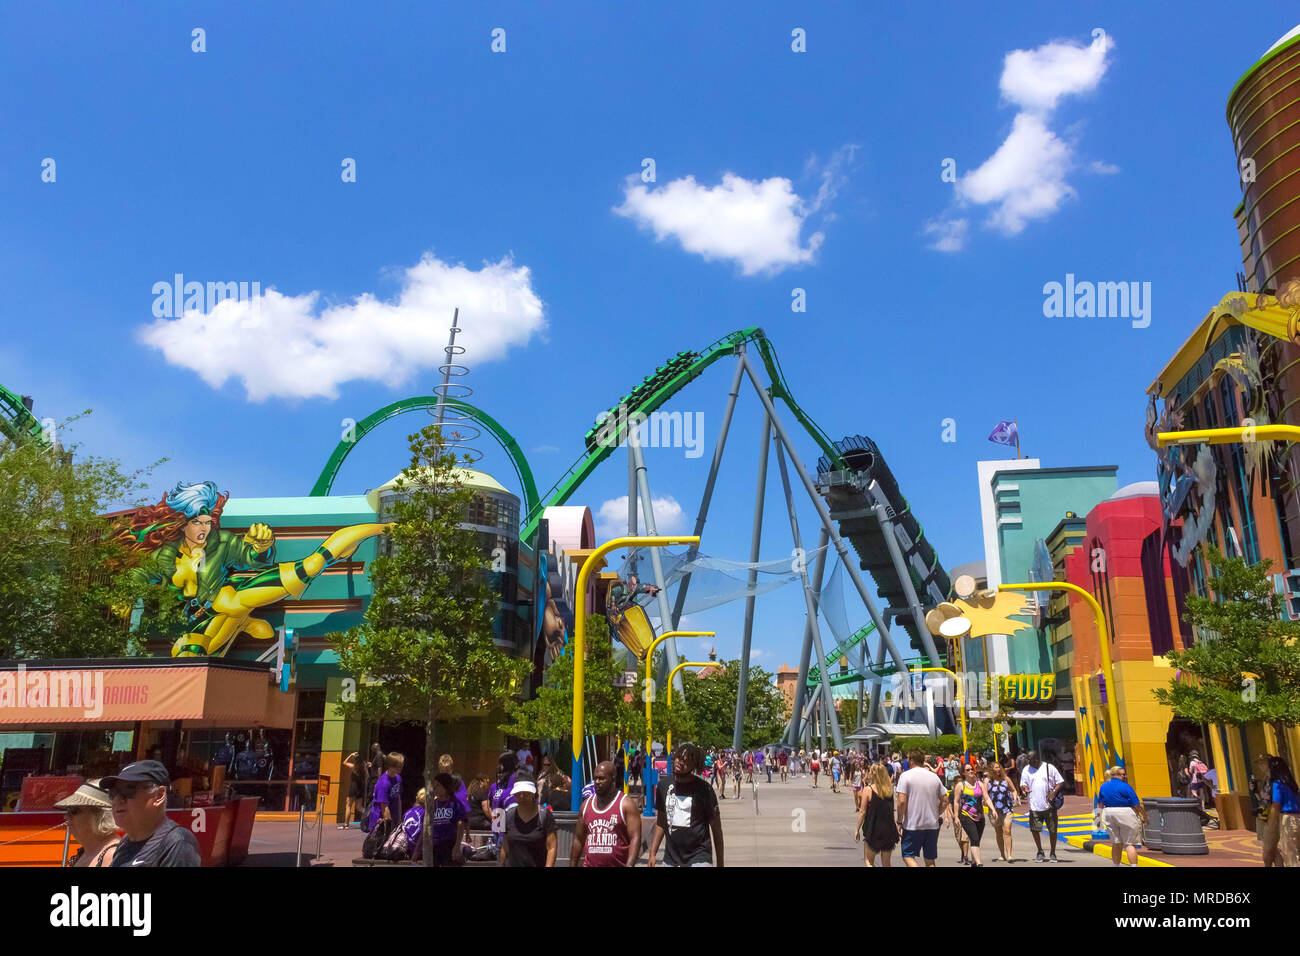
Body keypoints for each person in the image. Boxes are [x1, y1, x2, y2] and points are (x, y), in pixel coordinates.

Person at [101, 760, 201, 867]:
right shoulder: (125, 843)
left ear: (159, 795)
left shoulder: (178, 843)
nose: (116, 800)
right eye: (113, 793)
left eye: (128, 790)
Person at [649, 743, 724, 867]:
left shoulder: (704, 789)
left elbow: (716, 828)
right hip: (671, 858)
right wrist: (653, 853)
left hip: (699, 856)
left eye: (686, 760)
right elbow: (661, 822)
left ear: (694, 765)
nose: (680, 762)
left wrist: (720, 863)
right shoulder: (664, 786)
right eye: (678, 757)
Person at [571, 760, 642, 867]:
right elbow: (578, 839)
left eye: (602, 778)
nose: (597, 782)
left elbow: (635, 838)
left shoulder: (626, 804)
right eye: (595, 779)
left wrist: (630, 864)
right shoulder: (585, 806)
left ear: (612, 778)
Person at [895, 749, 948, 868]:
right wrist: (936, 813)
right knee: (930, 859)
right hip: (932, 825)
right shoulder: (934, 777)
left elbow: (901, 801)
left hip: (913, 824)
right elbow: (945, 801)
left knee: (908, 855)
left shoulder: (905, 776)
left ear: (912, 760)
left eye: (908, 758)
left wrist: (899, 822)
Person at [54, 780, 120, 868]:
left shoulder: (112, 855)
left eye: (73, 811)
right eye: (67, 810)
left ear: (99, 815)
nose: (66, 817)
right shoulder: (85, 852)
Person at [1094, 766, 1147, 867]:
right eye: (1122, 774)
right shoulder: (1125, 786)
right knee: (1129, 843)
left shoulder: (1103, 786)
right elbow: (1136, 804)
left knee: (1116, 842)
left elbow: (1100, 803)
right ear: (1115, 775)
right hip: (1126, 813)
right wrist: (1144, 815)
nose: (1124, 776)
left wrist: (1098, 819)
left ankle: (1115, 865)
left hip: (1109, 813)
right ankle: (1134, 866)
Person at [500, 774, 557, 867]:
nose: (522, 796)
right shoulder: (507, 815)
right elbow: (505, 847)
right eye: (518, 793)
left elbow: (552, 847)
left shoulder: (544, 815)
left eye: (526, 793)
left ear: (533, 794)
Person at [1019, 750, 1064, 863]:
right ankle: (1040, 851)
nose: (1028, 762)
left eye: (1030, 759)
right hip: (1034, 805)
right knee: (1035, 830)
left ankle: (1053, 853)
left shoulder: (1049, 767)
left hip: (1049, 806)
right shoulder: (1026, 769)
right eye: (1027, 760)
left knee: (1053, 830)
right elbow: (1023, 783)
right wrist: (1024, 789)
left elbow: (1060, 782)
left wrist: (1053, 793)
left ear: (1036, 759)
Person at [952, 763, 996, 867]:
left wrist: (993, 809)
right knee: (974, 838)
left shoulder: (979, 784)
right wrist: (956, 817)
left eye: (972, 769)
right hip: (966, 815)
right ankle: (979, 863)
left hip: (980, 816)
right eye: (968, 770)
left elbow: (986, 797)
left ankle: (974, 863)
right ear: (963, 773)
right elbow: (956, 802)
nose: (971, 771)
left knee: (976, 840)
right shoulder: (960, 785)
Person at [855, 763, 898, 867]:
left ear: (873, 774)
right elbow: (891, 810)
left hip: (873, 829)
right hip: (888, 829)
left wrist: (857, 829)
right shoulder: (889, 790)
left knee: (869, 861)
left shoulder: (868, 789)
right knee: (886, 863)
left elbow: (862, 811)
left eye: (870, 771)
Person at [1265, 754, 1300, 867]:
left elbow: (1276, 805)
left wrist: (1272, 824)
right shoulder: (1291, 784)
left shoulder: (1277, 784)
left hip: (1287, 819)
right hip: (1297, 817)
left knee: (1290, 853)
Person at [429, 773, 468, 866]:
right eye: (434, 785)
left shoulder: (455, 804)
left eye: (437, 785)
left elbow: (460, 824)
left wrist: (457, 846)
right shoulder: (432, 804)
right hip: (434, 845)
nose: (434, 788)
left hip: (449, 845)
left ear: (445, 786)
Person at [984, 760, 1019, 863]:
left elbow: (1014, 790)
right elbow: (985, 795)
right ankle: (1002, 854)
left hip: (1006, 808)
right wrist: (989, 806)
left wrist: (1015, 798)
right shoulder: (987, 781)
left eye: (999, 767)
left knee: (1007, 831)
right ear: (991, 769)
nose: (998, 769)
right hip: (994, 810)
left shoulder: (1006, 779)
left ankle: (1009, 855)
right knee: (998, 832)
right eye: (995, 767)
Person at [367, 752, 404, 834]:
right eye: (398, 766)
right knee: (380, 844)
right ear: (391, 766)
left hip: (394, 817)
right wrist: (388, 825)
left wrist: (399, 819)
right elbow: (384, 807)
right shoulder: (383, 783)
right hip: (380, 820)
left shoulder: (398, 778)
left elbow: (398, 798)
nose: (401, 768)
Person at [340, 751, 365, 829]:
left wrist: (350, 755)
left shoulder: (353, 767)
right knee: (359, 807)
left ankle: (346, 825)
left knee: (348, 806)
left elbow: (344, 762)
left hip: (353, 788)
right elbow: (367, 776)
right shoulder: (363, 767)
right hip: (360, 788)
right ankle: (370, 814)